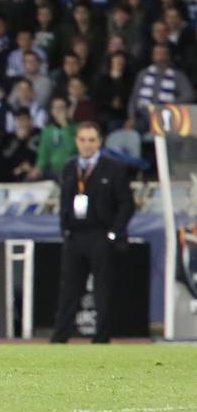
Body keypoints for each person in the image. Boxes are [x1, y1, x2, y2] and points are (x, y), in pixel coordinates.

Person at [51, 122, 134, 344]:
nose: (87, 145)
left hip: (101, 234)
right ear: (76, 141)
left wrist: (114, 234)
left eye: (91, 140)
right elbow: (64, 201)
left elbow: (126, 203)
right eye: (82, 140)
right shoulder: (69, 168)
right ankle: (60, 337)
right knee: (69, 288)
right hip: (75, 234)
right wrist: (65, 229)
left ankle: (102, 337)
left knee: (103, 289)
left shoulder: (114, 168)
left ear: (99, 142)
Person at [29, 96, 77, 181]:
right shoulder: (47, 131)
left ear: (67, 110)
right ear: (51, 111)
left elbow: (72, 149)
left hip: (72, 169)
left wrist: (65, 126)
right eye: (55, 107)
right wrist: (38, 168)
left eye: (61, 107)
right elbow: (43, 154)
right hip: (51, 170)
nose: (58, 110)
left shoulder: (76, 128)